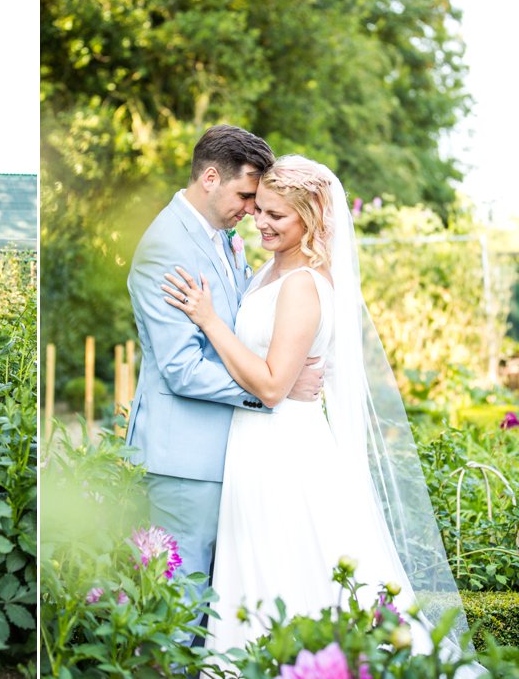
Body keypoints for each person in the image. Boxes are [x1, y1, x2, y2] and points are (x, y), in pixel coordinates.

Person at [161, 155, 476, 664]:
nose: (260, 221)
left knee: (291, 566)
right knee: (258, 570)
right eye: (258, 208)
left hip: (284, 448)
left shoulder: (304, 283)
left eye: (276, 216)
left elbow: (269, 386)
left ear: (310, 218)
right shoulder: (268, 268)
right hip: (255, 444)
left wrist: (208, 319)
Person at [125, 125, 323, 637]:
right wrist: (270, 390)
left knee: (217, 607)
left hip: (232, 454)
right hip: (185, 457)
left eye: (261, 204)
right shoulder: (165, 247)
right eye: (245, 197)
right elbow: (181, 367)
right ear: (210, 177)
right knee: (180, 607)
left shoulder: (223, 238)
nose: (252, 213)